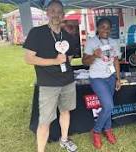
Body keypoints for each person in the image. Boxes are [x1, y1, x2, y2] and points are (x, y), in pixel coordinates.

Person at [23, 1, 78, 152]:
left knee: (65, 111)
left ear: (63, 15)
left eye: (59, 11)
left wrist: (63, 62)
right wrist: (54, 61)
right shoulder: (37, 32)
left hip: (67, 82)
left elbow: (70, 57)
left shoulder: (67, 35)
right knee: (45, 121)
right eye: (52, 11)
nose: (55, 14)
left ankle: (64, 140)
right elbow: (28, 58)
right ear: (47, 13)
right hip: (48, 84)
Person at [82, 18, 121, 149]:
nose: (106, 29)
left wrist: (118, 78)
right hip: (97, 78)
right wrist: (94, 55)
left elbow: (115, 61)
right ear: (97, 28)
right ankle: (97, 131)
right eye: (103, 27)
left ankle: (108, 130)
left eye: (108, 27)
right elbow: (84, 61)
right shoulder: (92, 42)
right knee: (109, 106)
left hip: (110, 77)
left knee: (107, 106)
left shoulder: (113, 42)